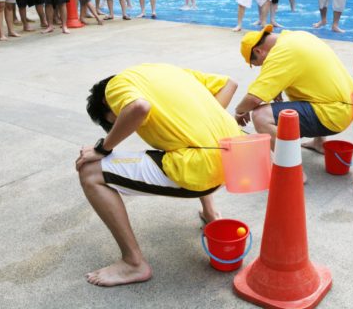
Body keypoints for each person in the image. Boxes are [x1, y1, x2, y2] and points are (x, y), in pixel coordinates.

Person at [75, 63, 240, 286]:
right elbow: (230, 83)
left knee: (89, 171)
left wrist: (102, 148)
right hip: (233, 159)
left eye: (111, 120)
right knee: (179, 143)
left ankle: (133, 264)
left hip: (201, 171)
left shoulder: (115, 87)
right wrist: (198, 126)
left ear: (105, 103)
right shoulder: (167, 71)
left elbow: (138, 108)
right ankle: (210, 213)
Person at [234, 25, 353, 154]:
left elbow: (253, 98)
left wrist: (239, 111)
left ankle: (291, 167)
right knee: (311, 90)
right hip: (347, 105)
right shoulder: (298, 36)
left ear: (259, 51)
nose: (264, 66)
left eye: (260, 63)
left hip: (333, 115)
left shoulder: (281, 54)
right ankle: (319, 143)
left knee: (261, 116)